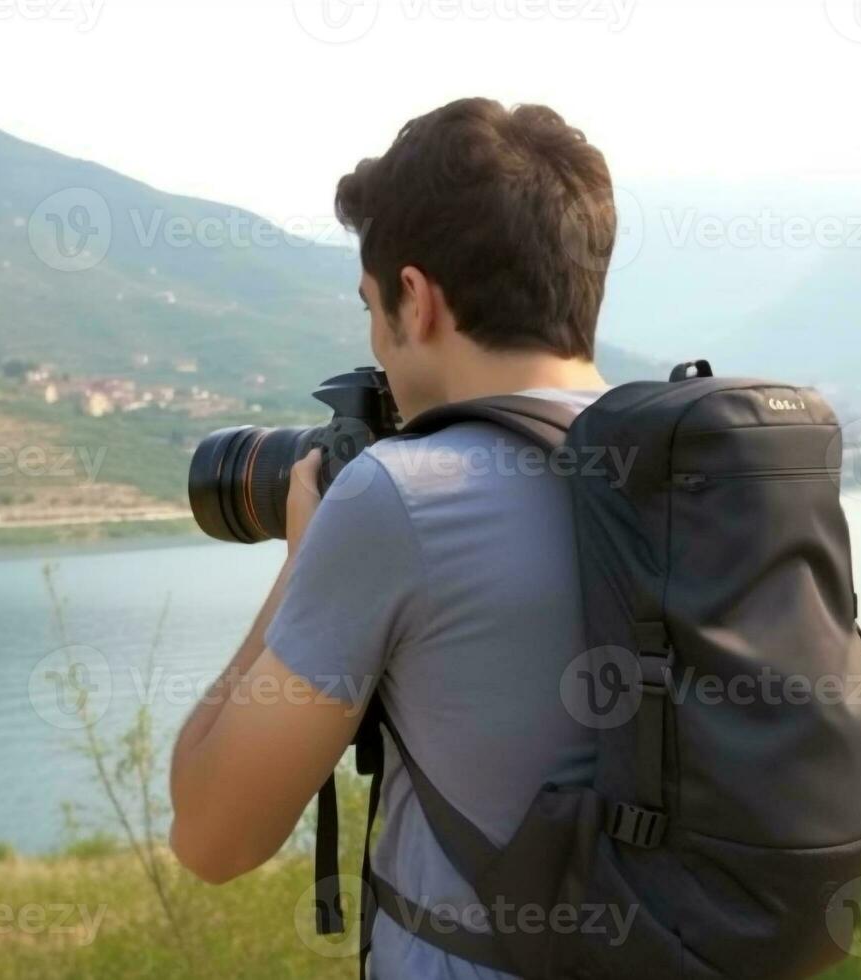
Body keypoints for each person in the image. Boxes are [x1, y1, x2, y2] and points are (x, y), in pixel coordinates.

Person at [169, 96, 618, 979]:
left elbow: (211, 836)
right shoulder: (683, 469)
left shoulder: (404, 496)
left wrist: (305, 556)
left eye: (371, 307)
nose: (377, 342)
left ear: (415, 301)